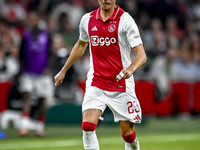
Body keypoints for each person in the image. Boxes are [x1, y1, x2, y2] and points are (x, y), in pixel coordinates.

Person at [54, 0, 147, 150]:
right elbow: (81, 44)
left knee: (128, 134)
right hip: (96, 82)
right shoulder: (87, 19)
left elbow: (141, 55)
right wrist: (63, 70)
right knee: (87, 126)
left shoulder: (126, 20)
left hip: (121, 84)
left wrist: (130, 69)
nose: (105, 0)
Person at [19, 12, 54, 137]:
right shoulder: (25, 35)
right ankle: (24, 126)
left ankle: (40, 127)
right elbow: (21, 54)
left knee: (42, 100)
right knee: (27, 97)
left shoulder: (46, 35)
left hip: (42, 73)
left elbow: (51, 52)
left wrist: (49, 67)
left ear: (39, 20)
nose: (33, 21)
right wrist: (20, 71)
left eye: (35, 19)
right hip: (28, 73)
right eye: (31, 19)